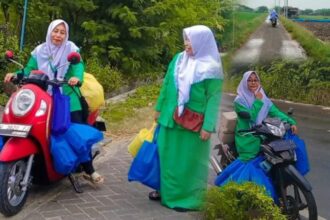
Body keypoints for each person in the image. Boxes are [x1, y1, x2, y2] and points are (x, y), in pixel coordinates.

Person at [4, 19, 104, 184]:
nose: (58, 35)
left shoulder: (71, 49)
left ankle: (89, 169)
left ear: (66, 35)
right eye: (55, 31)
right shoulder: (40, 50)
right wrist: (16, 74)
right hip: (42, 94)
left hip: (66, 95)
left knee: (75, 133)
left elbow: (78, 67)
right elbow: (28, 70)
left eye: (62, 32)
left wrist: (75, 78)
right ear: (50, 31)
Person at [150, 25, 223, 211]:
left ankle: (187, 197)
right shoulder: (178, 59)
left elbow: (213, 99)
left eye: (191, 40)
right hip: (169, 118)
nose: (186, 43)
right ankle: (166, 192)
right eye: (186, 39)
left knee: (187, 162)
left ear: (202, 42)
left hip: (193, 124)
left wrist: (208, 126)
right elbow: (166, 84)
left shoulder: (211, 68)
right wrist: (159, 108)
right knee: (166, 157)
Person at [215, 71, 309, 199]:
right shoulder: (240, 100)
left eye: (255, 80)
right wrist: (258, 101)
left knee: (283, 146)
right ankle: (244, 190)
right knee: (252, 162)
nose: (253, 83)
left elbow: (275, 112)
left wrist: (291, 121)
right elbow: (251, 117)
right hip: (247, 136)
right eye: (250, 80)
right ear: (245, 82)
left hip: (262, 133)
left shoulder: (263, 97)